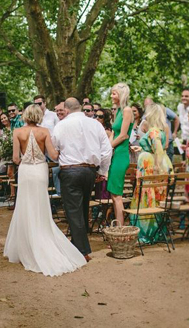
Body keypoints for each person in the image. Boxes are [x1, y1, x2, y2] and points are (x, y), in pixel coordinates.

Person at [4, 105, 86, 276]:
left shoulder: (18, 131)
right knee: (40, 205)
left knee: (25, 205)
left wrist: (25, 163)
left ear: (26, 116)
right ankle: (42, 238)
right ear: (39, 116)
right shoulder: (45, 131)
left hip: (26, 171)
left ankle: (27, 245)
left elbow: (15, 158)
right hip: (40, 170)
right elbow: (54, 156)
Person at [53, 97, 112, 261]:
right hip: (89, 171)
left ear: (66, 110)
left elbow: (54, 148)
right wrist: (102, 171)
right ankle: (78, 244)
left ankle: (82, 251)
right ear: (80, 107)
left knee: (73, 210)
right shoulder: (95, 124)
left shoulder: (61, 125)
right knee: (83, 207)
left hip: (70, 170)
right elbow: (107, 150)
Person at [130, 103, 174, 243]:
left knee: (147, 196)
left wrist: (156, 166)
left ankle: (147, 231)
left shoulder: (154, 130)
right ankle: (154, 230)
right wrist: (142, 149)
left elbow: (159, 149)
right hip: (148, 160)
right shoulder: (159, 130)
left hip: (149, 166)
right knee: (151, 196)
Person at [107, 83, 134, 226]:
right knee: (113, 194)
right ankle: (118, 227)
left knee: (117, 195)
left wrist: (108, 148)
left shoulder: (127, 110)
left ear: (121, 95)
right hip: (114, 154)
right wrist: (106, 149)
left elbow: (123, 136)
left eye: (114, 93)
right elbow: (114, 133)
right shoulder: (117, 111)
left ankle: (120, 229)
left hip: (121, 155)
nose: (111, 96)